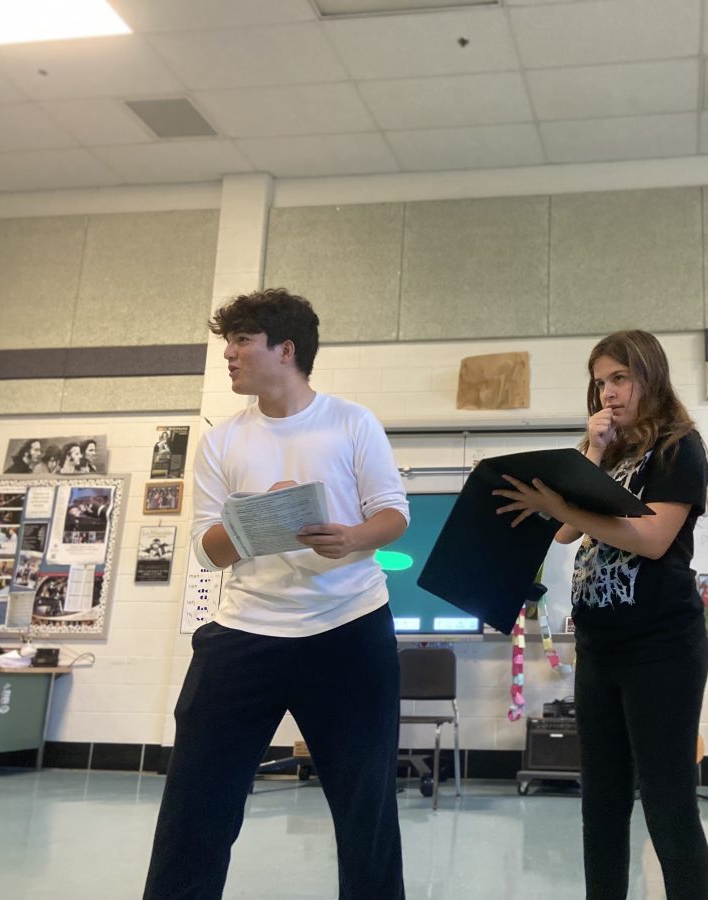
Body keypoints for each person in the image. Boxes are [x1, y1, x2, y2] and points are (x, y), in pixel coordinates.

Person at [143, 288, 409, 900]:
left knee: (365, 809)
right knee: (194, 804)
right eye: (227, 342)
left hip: (350, 629)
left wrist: (350, 538)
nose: (229, 355)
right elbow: (208, 549)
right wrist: (259, 523)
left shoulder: (351, 422)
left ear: (285, 350)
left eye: (241, 341)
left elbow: (392, 515)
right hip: (244, 632)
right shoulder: (221, 441)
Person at [493, 330, 708, 900]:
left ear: (649, 376)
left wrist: (563, 503)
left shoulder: (678, 445)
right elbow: (566, 532)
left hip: (661, 646)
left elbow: (654, 538)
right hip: (599, 646)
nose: (608, 393)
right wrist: (590, 453)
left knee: (668, 803)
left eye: (619, 378)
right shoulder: (611, 448)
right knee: (603, 802)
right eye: (599, 383)